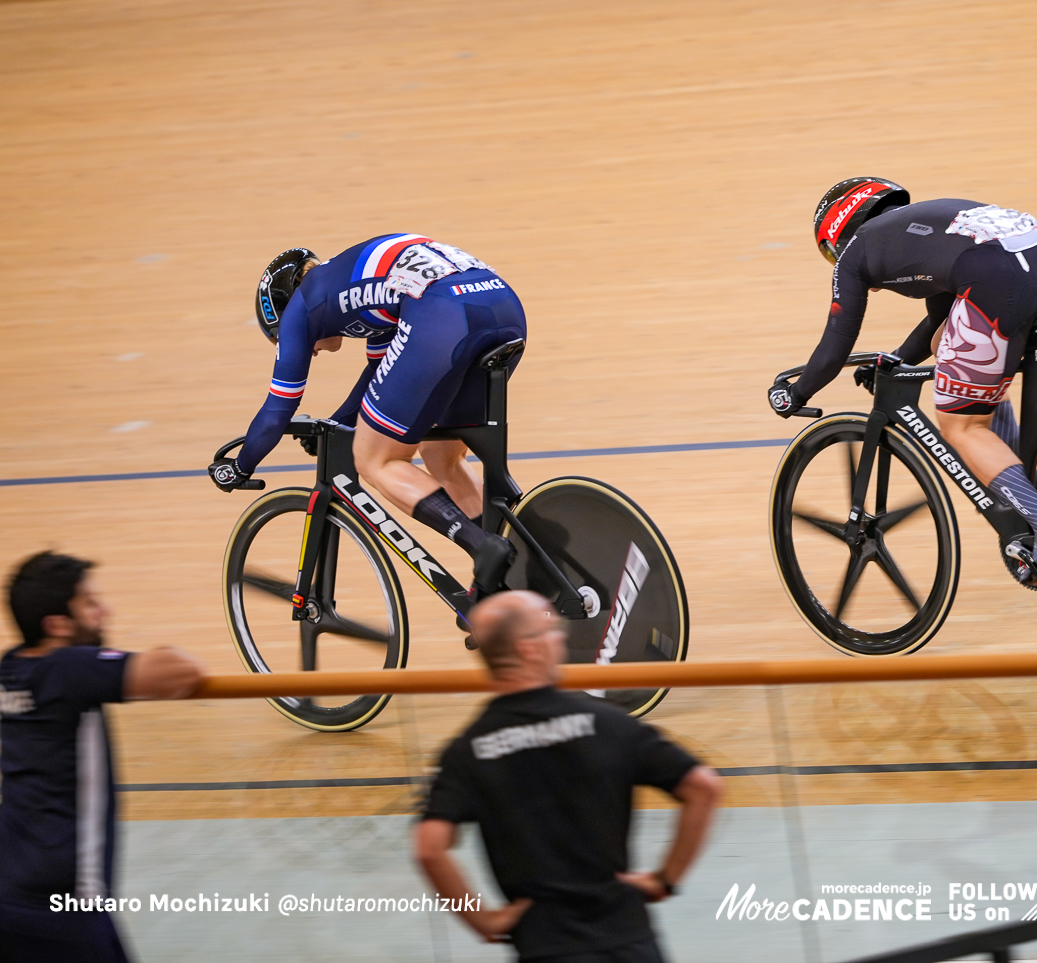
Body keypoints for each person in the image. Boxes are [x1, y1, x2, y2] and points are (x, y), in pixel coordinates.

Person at [766, 179, 1037, 590]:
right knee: (945, 345)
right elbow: (938, 319)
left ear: (838, 230)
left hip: (997, 282)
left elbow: (834, 348)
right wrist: (898, 359)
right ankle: (1023, 486)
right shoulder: (922, 230)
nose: (833, 258)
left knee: (961, 425)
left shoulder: (858, 249)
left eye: (828, 251)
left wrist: (796, 393)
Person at [206, 235, 527, 605]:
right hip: (500, 304)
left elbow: (278, 410)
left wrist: (241, 465)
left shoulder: (301, 307)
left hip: (442, 317)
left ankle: (484, 546)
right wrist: (338, 421)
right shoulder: (350, 289)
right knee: (441, 456)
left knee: (376, 459)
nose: (304, 348)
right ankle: (514, 562)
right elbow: (379, 375)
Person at [416, 590, 723, 963]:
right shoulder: (607, 723)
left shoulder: (467, 751)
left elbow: (429, 849)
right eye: (552, 628)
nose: (561, 636)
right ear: (529, 650)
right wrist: (665, 880)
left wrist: (482, 920)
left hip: (545, 944)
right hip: (626, 938)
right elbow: (703, 787)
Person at [2, 551, 205, 962]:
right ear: (57, 624)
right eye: (90, 604)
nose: (104, 612)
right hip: (66, 901)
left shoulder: (10, 668)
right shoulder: (68, 668)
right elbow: (182, 671)